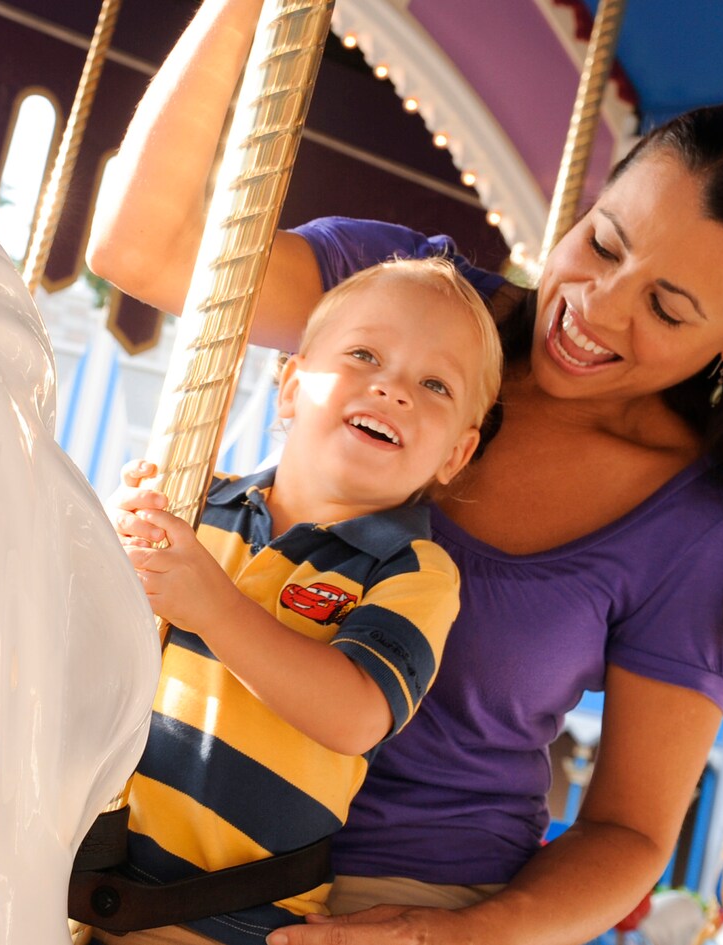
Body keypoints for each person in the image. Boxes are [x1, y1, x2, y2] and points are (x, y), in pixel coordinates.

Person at [85, 2, 723, 942]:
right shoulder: (414, 306)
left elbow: (629, 829)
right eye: (604, 241)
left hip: (405, 895)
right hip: (177, 826)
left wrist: (450, 938)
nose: (592, 307)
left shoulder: (695, 527)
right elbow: (146, 251)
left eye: (666, 308)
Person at [101, 257, 505, 945]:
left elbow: (353, 714)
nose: (393, 388)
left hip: (231, 914)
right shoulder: (197, 503)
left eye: (435, 383)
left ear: (456, 454)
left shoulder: (410, 569)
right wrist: (113, 541)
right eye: (364, 354)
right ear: (290, 386)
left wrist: (216, 607)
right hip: (85, 862)